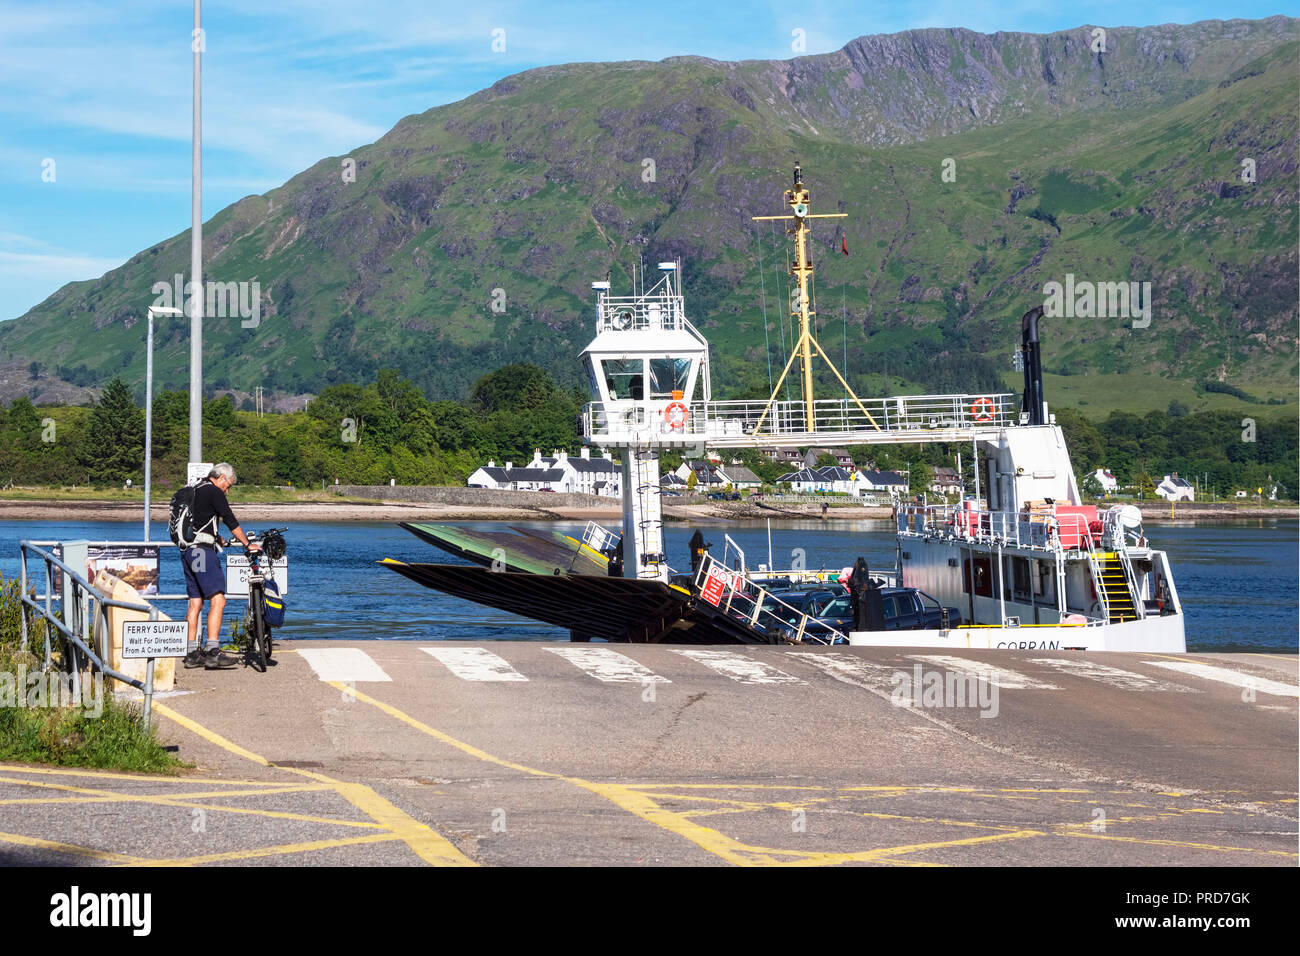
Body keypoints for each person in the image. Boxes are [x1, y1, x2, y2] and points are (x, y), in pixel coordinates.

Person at [182, 463, 259, 669]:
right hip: (201, 552)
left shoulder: (195, 489)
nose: (228, 490)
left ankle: (191, 654)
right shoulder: (214, 492)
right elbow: (231, 520)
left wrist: (216, 538)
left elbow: (199, 520)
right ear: (222, 477)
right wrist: (247, 544)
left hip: (188, 550)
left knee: (195, 602)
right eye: (229, 485)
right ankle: (213, 651)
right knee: (219, 600)